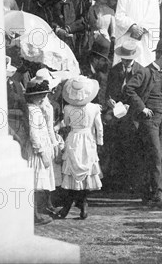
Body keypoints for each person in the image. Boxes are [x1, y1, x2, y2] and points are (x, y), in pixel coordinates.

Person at [125, 38, 162, 208]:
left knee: (156, 157)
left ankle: (148, 194)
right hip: (149, 122)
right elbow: (129, 89)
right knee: (155, 157)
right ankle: (158, 195)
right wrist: (142, 108)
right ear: (161, 55)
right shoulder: (145, 72)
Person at [57, 76, 104, 220]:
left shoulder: (68, 108)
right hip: (88, 139)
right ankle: (83, 203)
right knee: (86, 170)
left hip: (74, 138)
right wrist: (99, 142)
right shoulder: (94, 108)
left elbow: (66, 122)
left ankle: (68, 205)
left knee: (72, 170)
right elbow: (99, 127)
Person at [105, 40, 146, 192]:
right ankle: (119, 183)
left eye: (129, 60)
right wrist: (110, 101)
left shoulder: (141, 71)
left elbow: (142, 96)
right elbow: (108, 92)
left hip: (133, 117)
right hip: (117, 115)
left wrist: (132, 106)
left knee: (133, 150)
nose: (126, 62)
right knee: (117, 148)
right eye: (124, 59)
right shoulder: (114, 71)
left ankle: (133, 184)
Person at [22, 78, 56, 225]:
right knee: (35, 183)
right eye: (40, 95)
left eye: (44, 95)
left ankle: (35, 213)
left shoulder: (37, 109)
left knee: (38, 184)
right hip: (36, 151)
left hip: (41, 147)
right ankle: (34, 214)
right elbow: (34, 133)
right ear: (32, 96)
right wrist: (41, 151)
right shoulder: (32, 111)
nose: (43, 98)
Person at [115, 0, 160, 67]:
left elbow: (153, 19)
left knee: (143, 64)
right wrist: (132, 27)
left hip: (144, 39)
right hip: (127, 36)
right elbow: (119, 17)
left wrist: (141, 30)